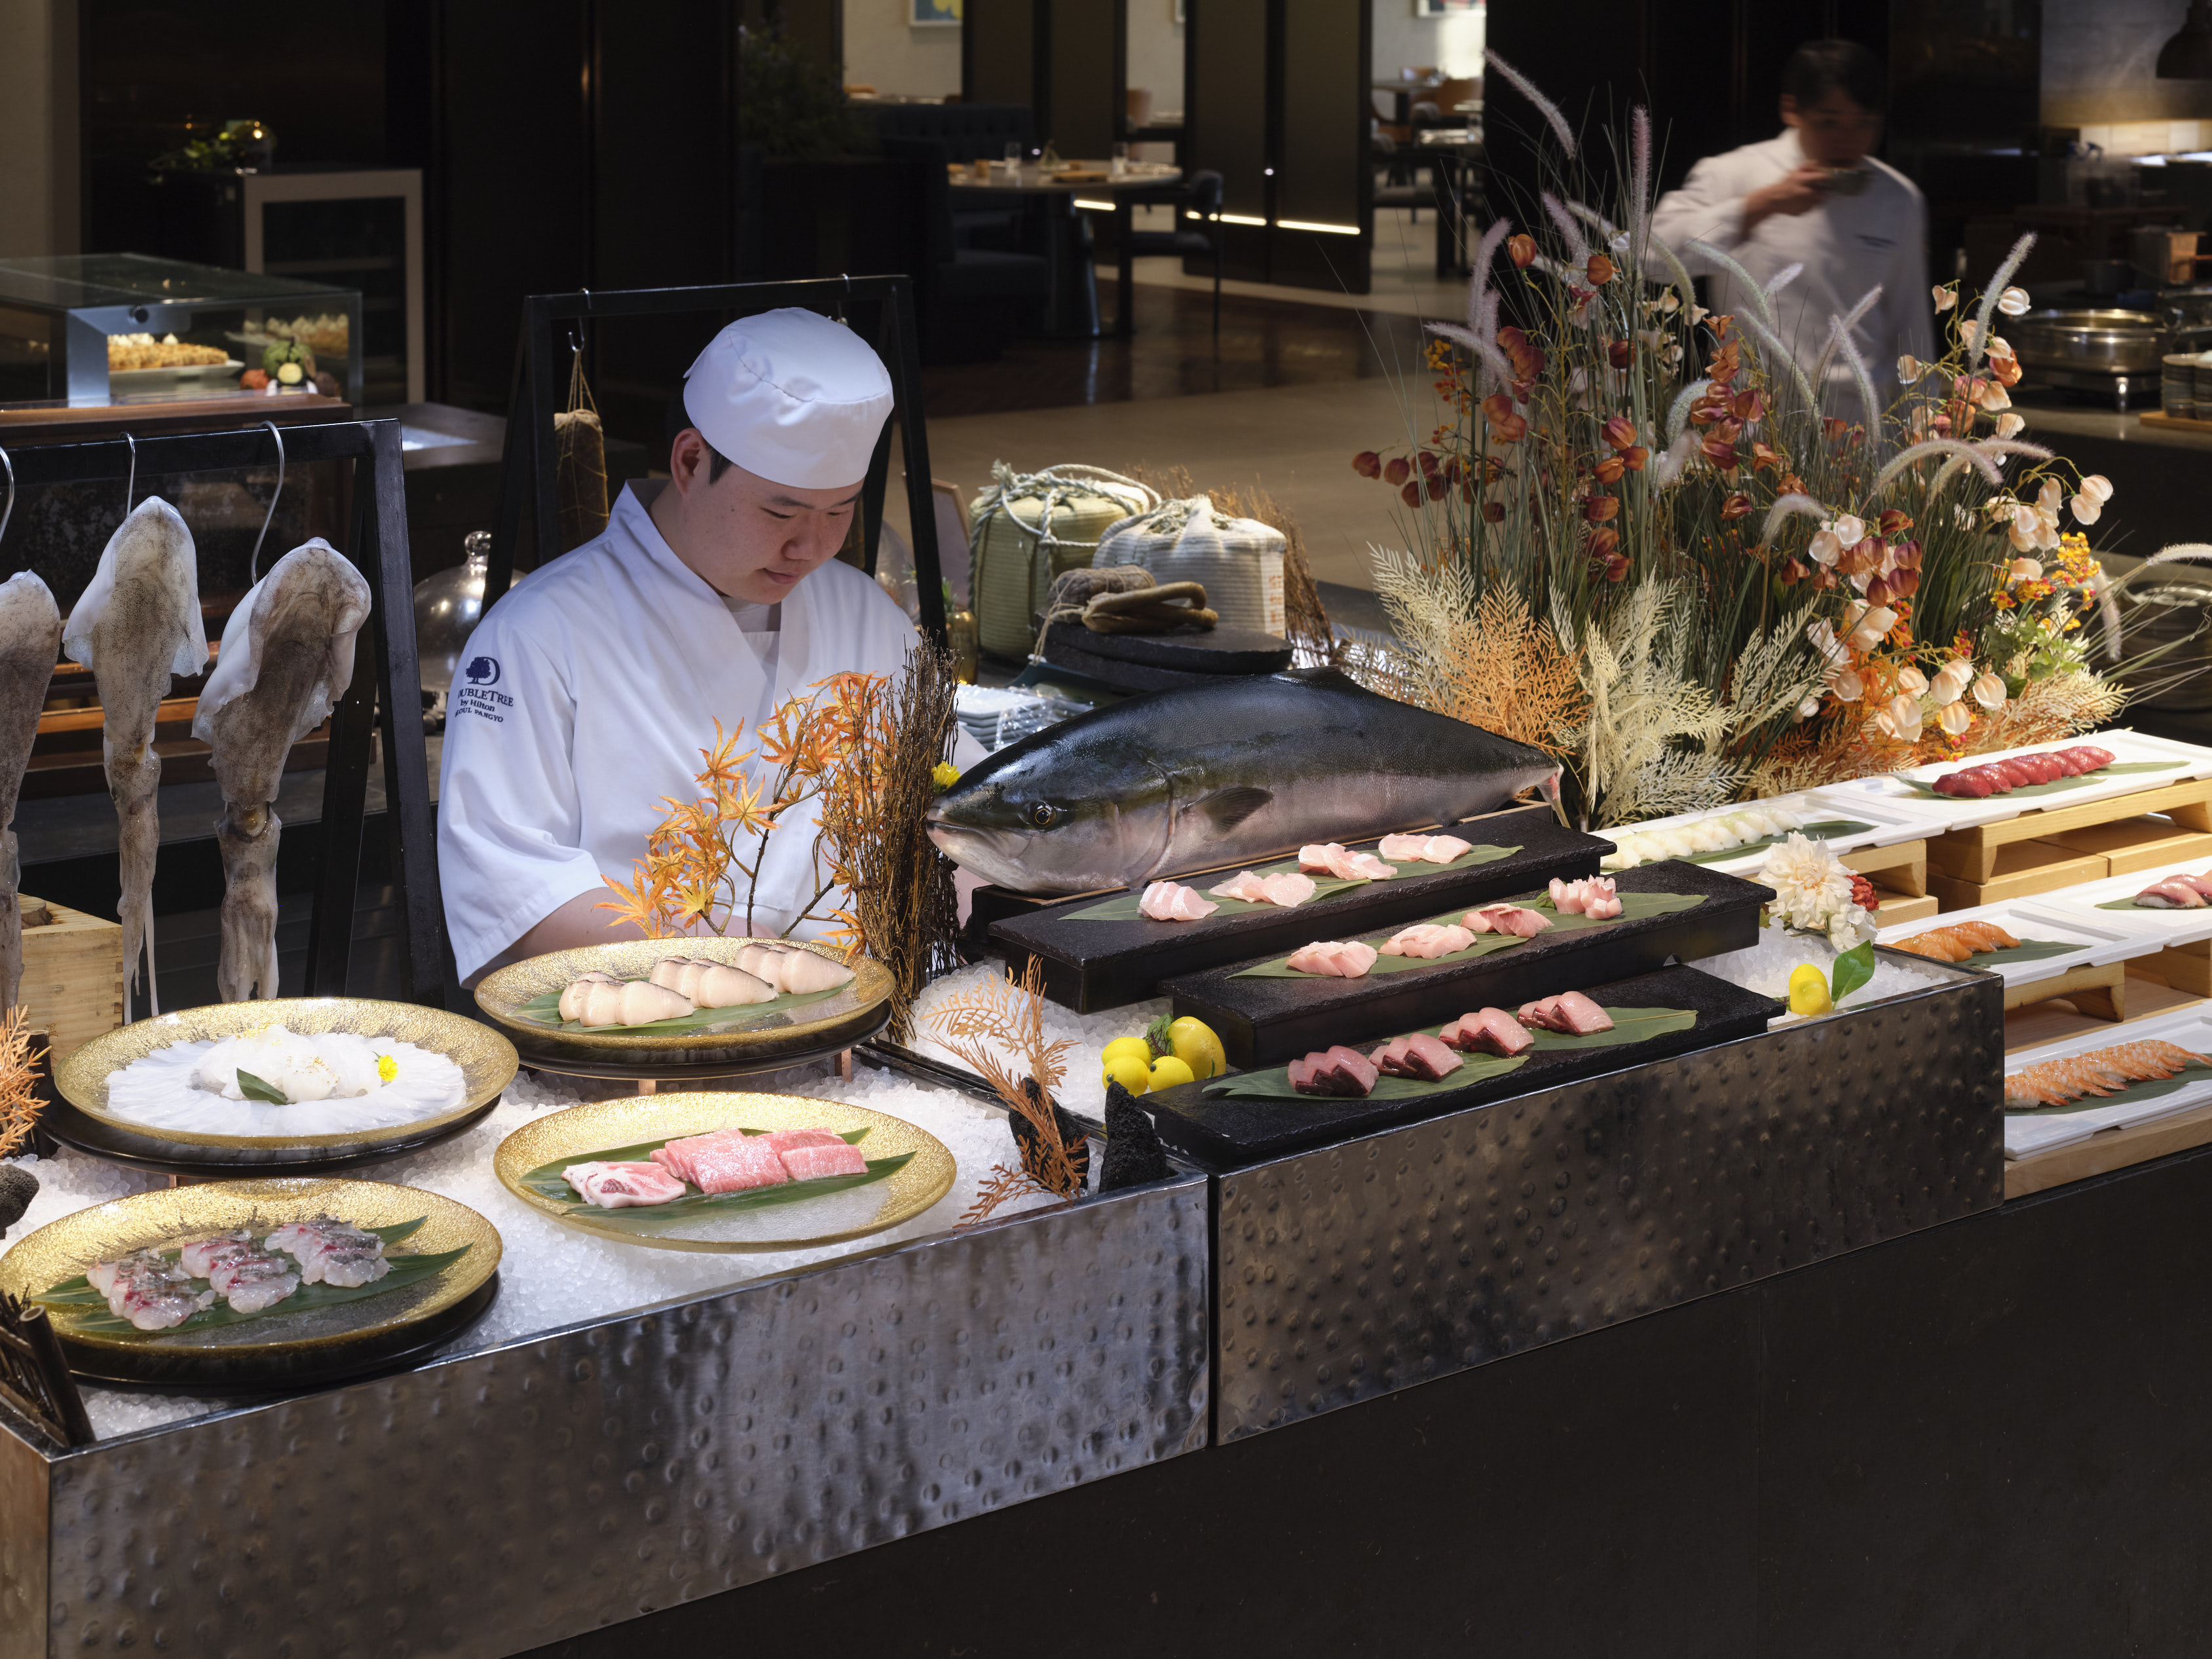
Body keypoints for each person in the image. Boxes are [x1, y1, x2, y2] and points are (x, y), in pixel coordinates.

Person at [437, 308, 919, 983]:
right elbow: (511, 887)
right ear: (690, 461)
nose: (811, 547)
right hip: (638, 1032)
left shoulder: (866, 616)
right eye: (780, 512)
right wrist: (716, 955)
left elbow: (953, 814)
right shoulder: (539, 634)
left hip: (861, 1026)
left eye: (839, 511)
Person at [1649, 39, 1932, 409]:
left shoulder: (1898, 198)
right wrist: (1759, 207)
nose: (1848, 140)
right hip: (1755, 416)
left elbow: (1912, 332)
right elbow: (1649, 256)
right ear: (1791, 110)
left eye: (1865, 123)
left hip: (1861, 422)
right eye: (1829, 122)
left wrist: (1923, 435)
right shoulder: (1735, 174)